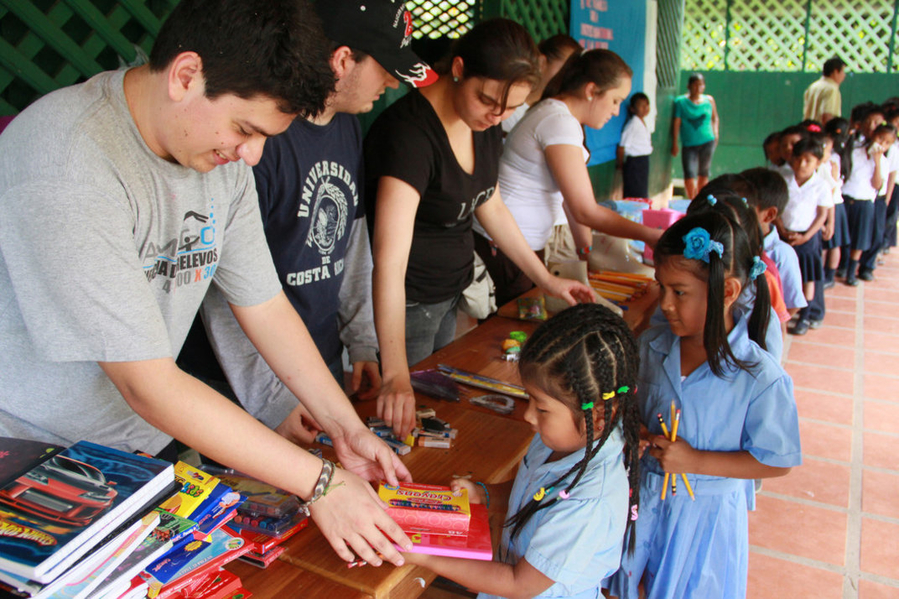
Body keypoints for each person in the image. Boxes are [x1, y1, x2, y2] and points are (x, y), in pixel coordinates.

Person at [0, 0, 413, 568]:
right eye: (246, 129)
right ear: (186, 75)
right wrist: (322, 485)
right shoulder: (69, 159)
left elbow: (264, 305)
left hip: (140, 446)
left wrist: (346, 427)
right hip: (31, 454)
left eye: (268, 136)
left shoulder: (223, 164)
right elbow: (149, 384)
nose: (252, 155)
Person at [186, 0, 437, 426]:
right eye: (385, 69)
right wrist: (272, 400)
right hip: (241, 384)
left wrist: (361, 343)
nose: (393, 84)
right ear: (342, 61)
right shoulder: (254, 142)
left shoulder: (346, 126)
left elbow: (351, 243)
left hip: (317, 369)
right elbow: (225, 287)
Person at [364, 19, 595, 438]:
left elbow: (491, 205)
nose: (497, 115)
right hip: (406, 304)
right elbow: (389, 261)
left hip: (448, 292)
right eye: (487, 100)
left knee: (433, 412)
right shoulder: (410, 134)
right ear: (458, 69)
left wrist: (546, 279)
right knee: (402, 415)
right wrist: (394, 371)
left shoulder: (484, 126)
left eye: (510, 108)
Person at [606, 211, 801, 599]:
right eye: (661, 288)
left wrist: (695, 462)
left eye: (679, 292)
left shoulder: (760, 377)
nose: (665, 304)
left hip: (706, 519)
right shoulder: (651, 347)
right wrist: (639, 433)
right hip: (642, 502)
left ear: (727, 291)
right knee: (625, 587)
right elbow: (629, 407)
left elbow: (777, 460)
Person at [401, 303, 642, 599]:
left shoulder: (589, 501)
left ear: (598, 416)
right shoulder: (560, 439)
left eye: (541, 407)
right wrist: (486, 495)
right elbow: (533, 489)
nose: (528, 416)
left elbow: (520, 583)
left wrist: (423, 556)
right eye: (529, 399)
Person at [473, 50, 662, 307]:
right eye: (615, 100)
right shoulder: (558, 121)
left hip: (515, 246)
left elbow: (569, 202)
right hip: (503, 246)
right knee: (509, 333)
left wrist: (586, 253)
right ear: (591, 91)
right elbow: (585, 210)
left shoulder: (559, 116)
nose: (617, 112)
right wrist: (650, 235)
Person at [778, 137, 831, 335]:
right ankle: (783, 313)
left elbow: (822, 215)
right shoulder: (784, 179)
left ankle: (805, 316)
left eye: (808, 161)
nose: (802, 164)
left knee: (807, 278)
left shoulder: (820, 185)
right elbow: (778, 208)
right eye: (799, 159)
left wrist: (807, 236)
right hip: (785, 234)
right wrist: (782, 229)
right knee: (784, 276)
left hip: (807, 237)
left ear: (818, 162)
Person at [742, 167, 808, 319]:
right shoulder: (735, 240)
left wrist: (769, 326)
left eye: (744, 207)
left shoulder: (782, 254)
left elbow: (792, 305)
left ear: (769, 214)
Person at [840, 124, 895, 285]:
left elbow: (877, 185)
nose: (881, 144)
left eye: (886, 143)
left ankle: (851, 272)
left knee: (860, 240)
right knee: (845, 236)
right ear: (872, 135)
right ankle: (840, 266)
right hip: (846, 198)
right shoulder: (855, 152)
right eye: (880, 139)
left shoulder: (884, 162)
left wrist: (877, 162)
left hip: (865, 204)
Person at [501, 34, 582, 135]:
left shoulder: (555, 113)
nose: (568, 77)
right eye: (565, 69)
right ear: (542, 62)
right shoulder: (507, 98)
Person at [671, 73, 719, 199]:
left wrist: (716, 133)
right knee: (689, 174)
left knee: (704, 173)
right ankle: (692, 199)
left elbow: (715, 118)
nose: (698, 88)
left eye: (701, 85)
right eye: (695, 85)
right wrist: (675, 142)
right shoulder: (680, 102)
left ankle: (701, 199)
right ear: (688, 86)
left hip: (707, 141)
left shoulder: (709, 100)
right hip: (689, 143)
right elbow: (677, 122)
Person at [617, 92, 654, 199]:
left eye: (647, 104)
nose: (645, 108)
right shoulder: (632, 124)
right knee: (634, 191)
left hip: (643, 161)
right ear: (632, 109)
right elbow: (621, 147)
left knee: (641, 191)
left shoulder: (642, 122)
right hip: (634, 163)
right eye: (641, 105)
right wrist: (620, 165)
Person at [803, 57, 846, 125]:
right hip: (821, 133)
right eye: (843, 71)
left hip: (808, 131)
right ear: (835, 72)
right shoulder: (831, 89)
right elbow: (826, 116)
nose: (844, 75)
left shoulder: (813, 86)